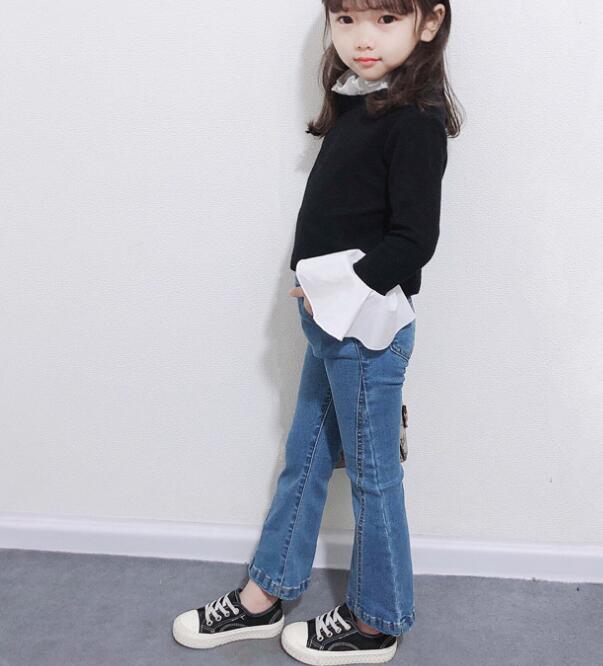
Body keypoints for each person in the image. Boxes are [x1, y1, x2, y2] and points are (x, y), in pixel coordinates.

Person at [172, 1, 463, 663]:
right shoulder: (359, 102)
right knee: (303, 460)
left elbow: (413, 241)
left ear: (428, 23)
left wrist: (334, 288)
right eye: (345, 19)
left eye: (385, 19)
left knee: (372, 479)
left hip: (365, 331)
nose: (362, 38)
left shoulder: (415, 122)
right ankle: (265, 595)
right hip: (332, 326)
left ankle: (376, 621)